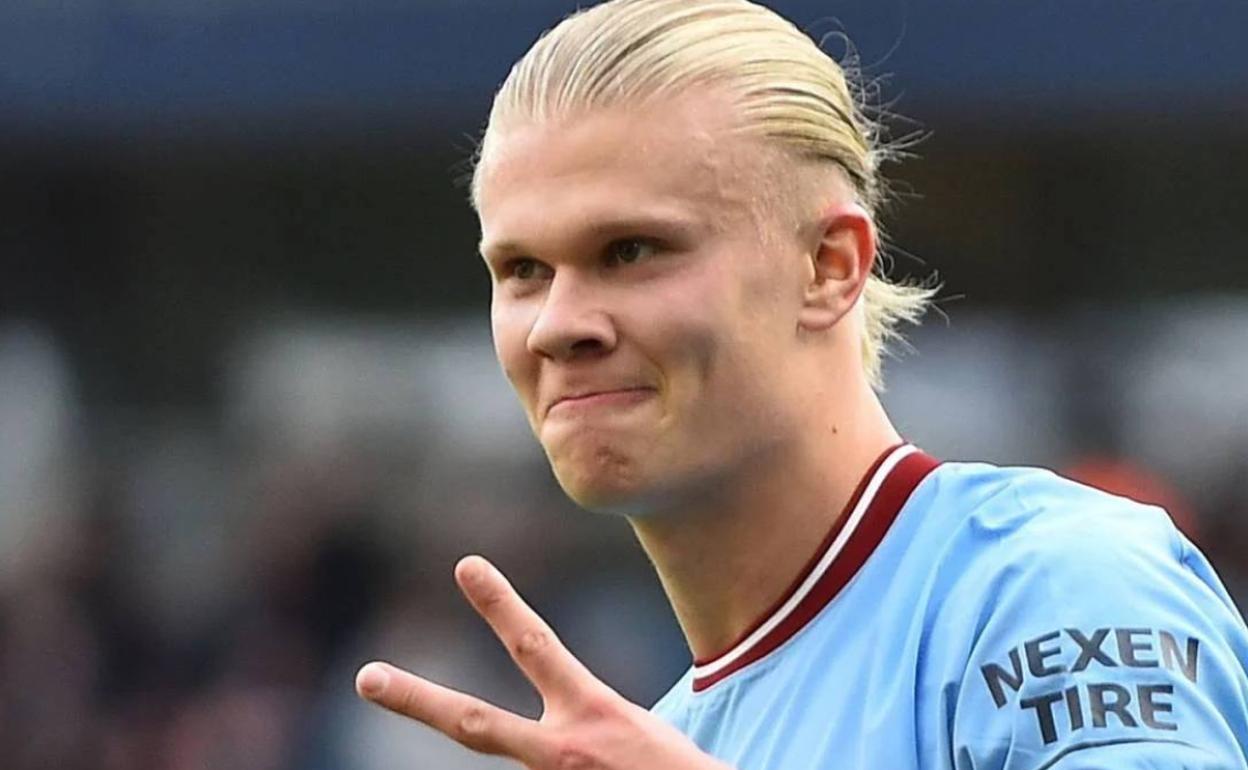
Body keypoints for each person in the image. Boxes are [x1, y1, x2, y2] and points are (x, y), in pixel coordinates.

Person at [354, 0, 1248, 767]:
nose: (558, 324)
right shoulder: (663, 740)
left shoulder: (1055, 586)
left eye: (630, 251)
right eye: (522, 270)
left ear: (829, 267)